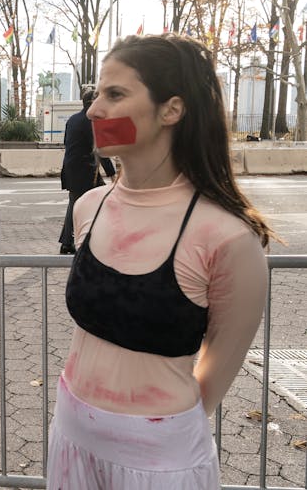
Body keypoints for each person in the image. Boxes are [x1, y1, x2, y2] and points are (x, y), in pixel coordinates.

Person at [46, 33, 274, 489]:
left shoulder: (228, 237)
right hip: (71, 436)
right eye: (97, 93)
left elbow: (215, 374)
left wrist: (144, 434)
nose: (93, 109)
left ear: (171, 109)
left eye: (115, 94)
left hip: (159, 461)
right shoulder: (89, 206)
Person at [58, 88, 116, 254]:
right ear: (92, 103)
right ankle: (78, 241)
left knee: (76, 203)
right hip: (85, 171)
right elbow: (100, 150)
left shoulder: (73, 119)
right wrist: (112, 174)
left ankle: (69, 242)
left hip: (72, 169)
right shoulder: (91, 122)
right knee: (101, 200)